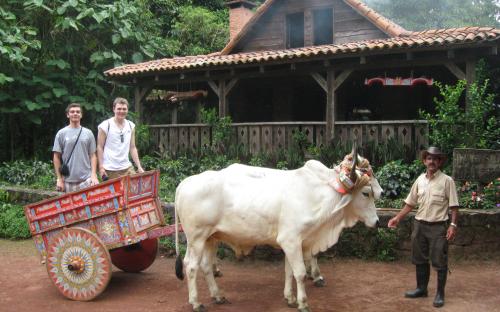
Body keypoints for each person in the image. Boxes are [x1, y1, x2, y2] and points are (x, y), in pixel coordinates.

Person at [388, 146, 459, 308]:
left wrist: (453, 225)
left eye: (435, 159)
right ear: (424, 161)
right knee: (419, 258)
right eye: (429, 158)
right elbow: (410, 203)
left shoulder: (447, 181)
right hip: (419, 225)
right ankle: (421, 289)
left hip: (438, 227)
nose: (432, 161)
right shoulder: (419, 180)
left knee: (439, 261)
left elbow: (454, 207)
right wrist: (397, 218)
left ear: (439, 162)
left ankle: (440, 294)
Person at [53, 103, 99, 192]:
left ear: (81, 115)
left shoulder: (88, 133)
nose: (75, 113)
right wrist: (59, 179)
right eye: (72, 112)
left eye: (78, 112)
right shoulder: (61, 133)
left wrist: (93, 175)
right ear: (68, 115)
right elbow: (56, 157)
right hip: (67, 181)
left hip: (87, 180)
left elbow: (93, 156)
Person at [97, 97, 144, 180]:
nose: (121, 111)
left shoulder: (131, 125)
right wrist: (101, 167)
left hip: (127, 167)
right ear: (114, 109)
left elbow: (132, 147)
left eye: (124, 109)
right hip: (110, 169)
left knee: (133, 191)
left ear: (127, 110)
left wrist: (139, 167)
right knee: (116, 193)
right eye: (119, 109)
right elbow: (100, 147)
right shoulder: (105, 125)